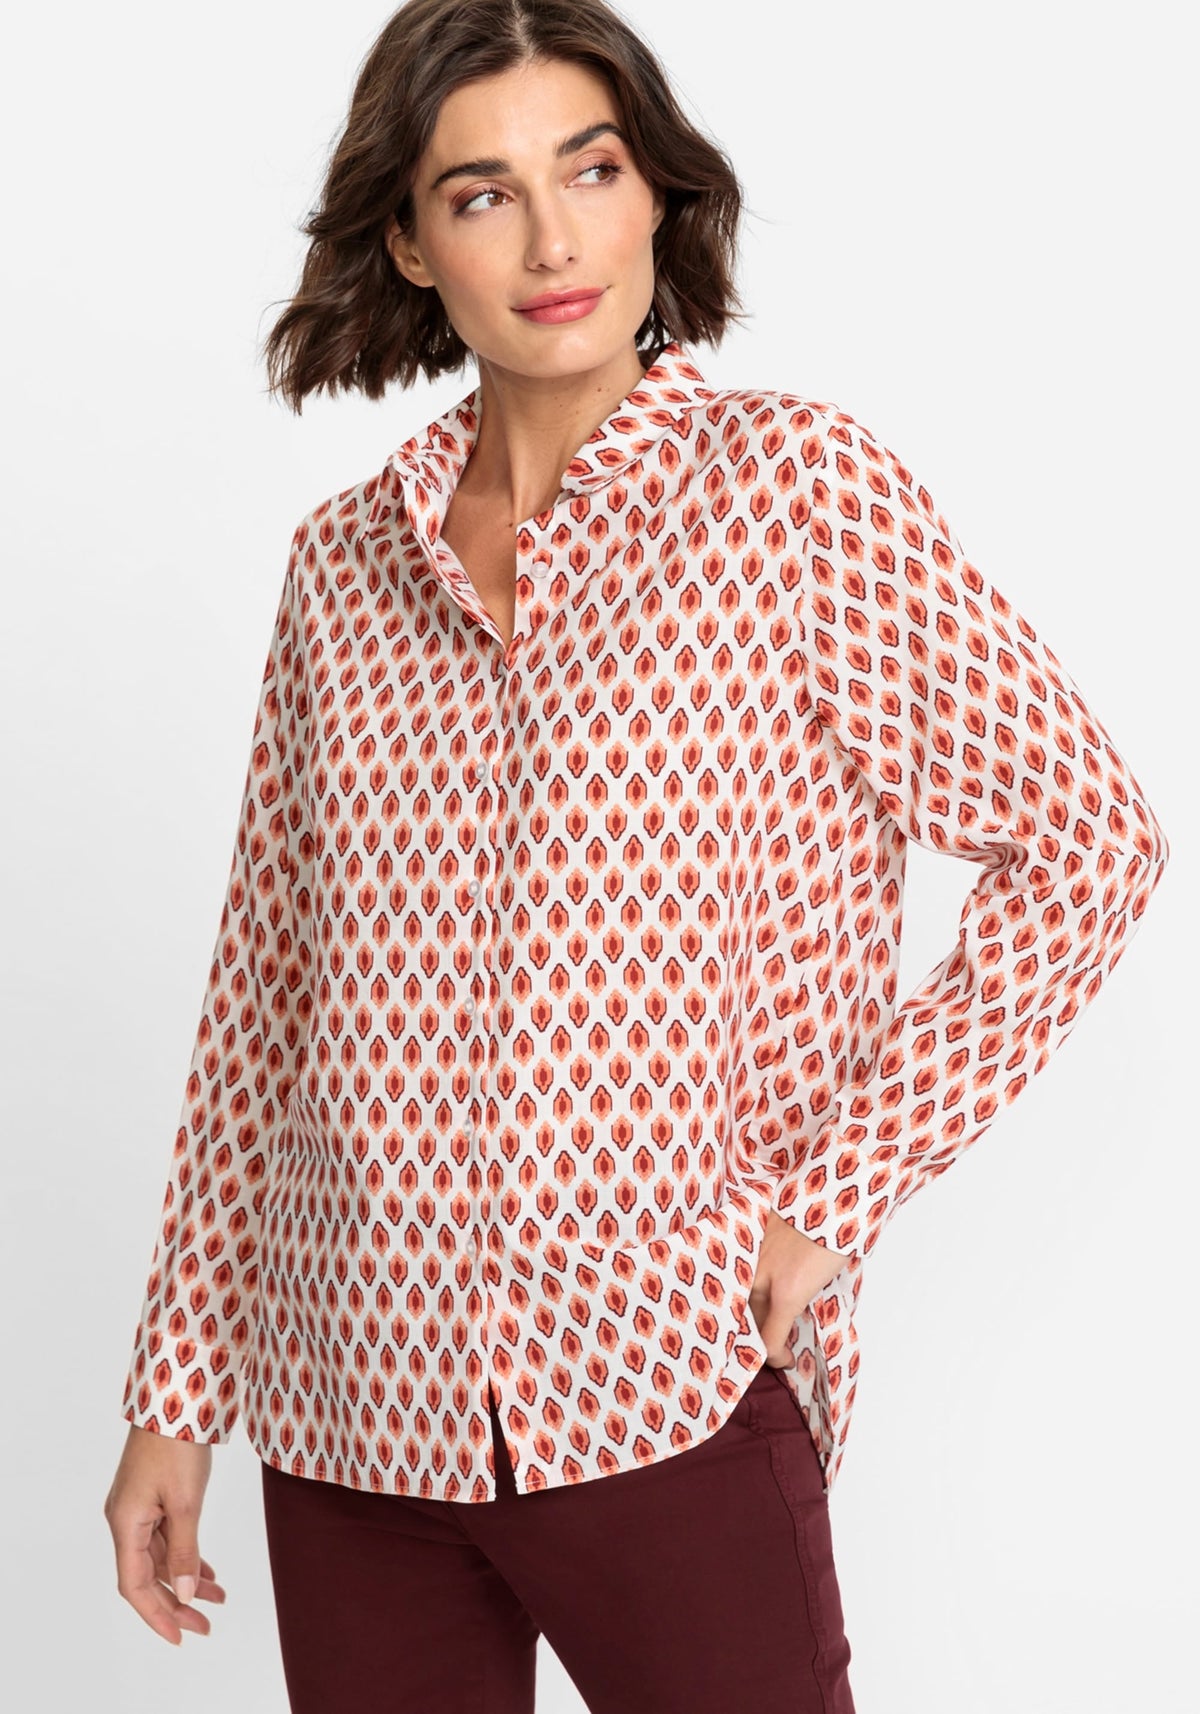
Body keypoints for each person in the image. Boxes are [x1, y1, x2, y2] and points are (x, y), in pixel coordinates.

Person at [103, 2, 1170, 1710]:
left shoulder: (797, 494)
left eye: (590, 170)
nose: (552, 239)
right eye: (483, 193)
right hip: (350, 1406)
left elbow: (1089, 841)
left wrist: (830, 1199)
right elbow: (264, 1001)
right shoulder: (340, 568)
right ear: (409, 240)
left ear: (656, 193)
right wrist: (176, 1393)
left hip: (668, 1383)